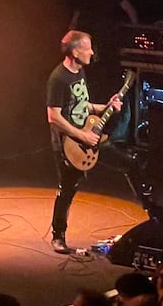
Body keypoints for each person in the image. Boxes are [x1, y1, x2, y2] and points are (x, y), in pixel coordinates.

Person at [46, 30, 123, 254]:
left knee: (127, 161)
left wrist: (105, 107)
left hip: (86, 138)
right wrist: (82, 136)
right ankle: (58, 236)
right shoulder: (58, 78)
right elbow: (54, 116)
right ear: (75, 51)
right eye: (88, 47)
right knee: (68, 189)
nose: (92, 52)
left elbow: (82, 105)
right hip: (68, 145)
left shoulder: (79, 72)